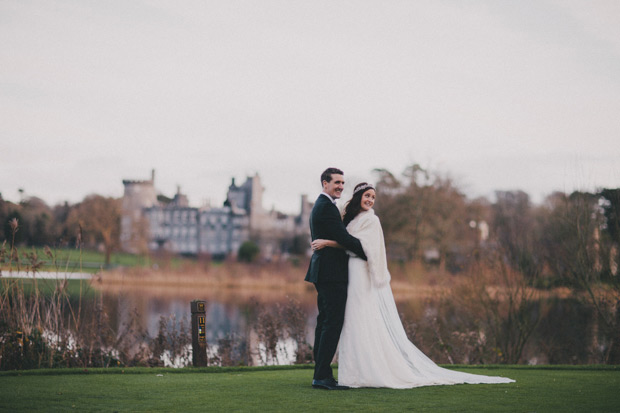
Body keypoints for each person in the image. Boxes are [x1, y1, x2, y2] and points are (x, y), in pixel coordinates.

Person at [312, 182, 515, 388]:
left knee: (361, 317)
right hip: (350, 272)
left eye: (373, 197)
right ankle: (353, 372)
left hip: (360, 272)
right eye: (367, 196)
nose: (370, 200)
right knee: (352, 320)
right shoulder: (353, 218)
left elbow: (362, 248)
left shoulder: (372, 220)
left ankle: (367, 372)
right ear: (358, 197)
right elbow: (347, 239)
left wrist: (329, 243)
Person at [305, 168, 368, 390]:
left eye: (343, 182)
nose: (341, 186)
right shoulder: (326, 207)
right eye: (336, 182)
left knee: (324, 323)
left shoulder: (324, 205)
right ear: (325, 183)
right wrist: (367, 249)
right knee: (331, 323)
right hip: (331, 273)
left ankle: (320, 374)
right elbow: (343, 238)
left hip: (324, 271)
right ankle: (322, 376)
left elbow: (335, 238)